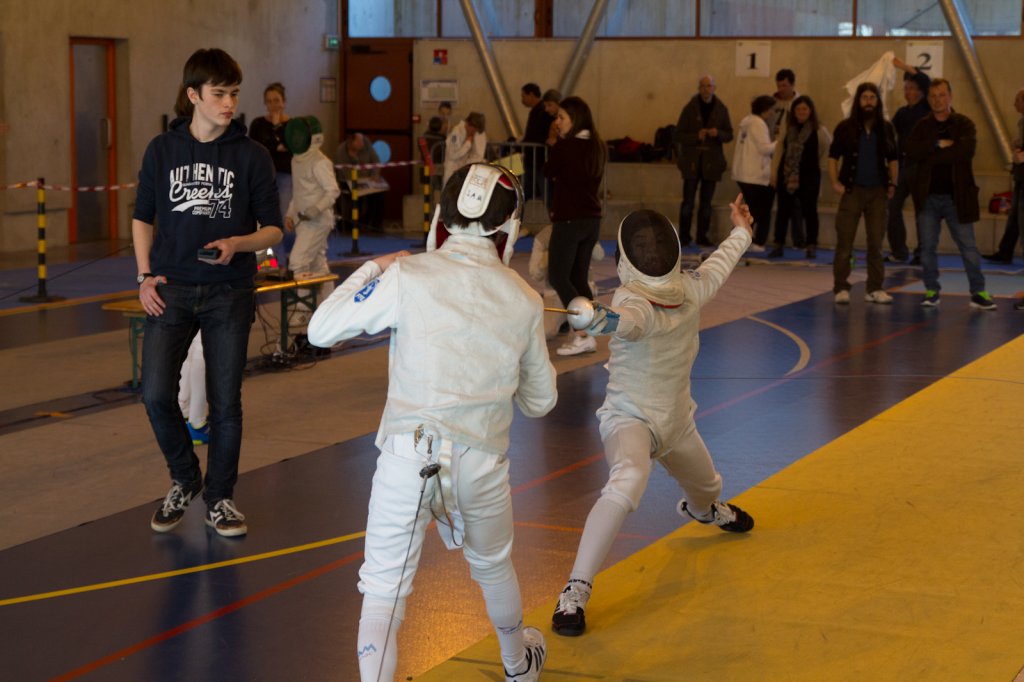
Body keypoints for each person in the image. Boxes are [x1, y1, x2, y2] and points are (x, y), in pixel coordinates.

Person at [306, 163, 557, 682]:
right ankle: (518, 666)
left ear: (443, 216)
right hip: (478, 462)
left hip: (407, 453)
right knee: (493, 567)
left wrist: (376, 268)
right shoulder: (524, 299)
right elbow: (540, 402)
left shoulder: (408, 275)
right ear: (509, 227)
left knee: (383, 593)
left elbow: (320, 329)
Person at [550, 199, 756, 638]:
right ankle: (575, 591)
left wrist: (741, 230)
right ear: (629, 256)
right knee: (628, 478)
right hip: (630, 419)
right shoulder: (632, 301)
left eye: (656, 243)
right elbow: (627, 322)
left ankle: (704, 511)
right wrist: (599, 319)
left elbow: (719, 264)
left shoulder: (689, 288)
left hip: (678, 422)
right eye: (642, 245)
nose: (652, 251)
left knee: (709, 488)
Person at [134, 48, 283, 538]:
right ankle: (185, 478)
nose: (229, 103)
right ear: (193, 95)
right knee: (156, 393)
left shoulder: (251, 155)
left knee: (226, 402)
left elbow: (274, 229)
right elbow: (142, 217)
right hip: (171, 289)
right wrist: (143, 276)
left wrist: (239, 243)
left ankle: (220, 498)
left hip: (229, 292)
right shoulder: (162, 150)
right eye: (219, 94)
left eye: (234, 93)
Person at [905, 78, 997, 310]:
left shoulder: (964, 124)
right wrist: (938, 144)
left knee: (969, 247)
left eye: (942, 95)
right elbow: (912, 151)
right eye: (933, 96)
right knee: (927, 248)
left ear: (950, 96)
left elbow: (965, 152)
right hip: (927, 198)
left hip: (957, 198)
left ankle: (979, 292)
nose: (938, 100)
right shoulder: (921, 126)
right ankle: (931, 290)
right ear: (928, 99)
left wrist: (931, 154)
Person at [544, 96, 607, 356]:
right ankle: (590, 332)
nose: (557, 122)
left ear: (575, 119)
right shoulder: (597, 146)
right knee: (578, 278)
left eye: (561, 117)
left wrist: (553, 144)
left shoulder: (566, 147)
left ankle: (581, 333)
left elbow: (548, 171)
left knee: (559, 276)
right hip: (591, 220)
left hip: (569, 220)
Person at [827, 82, 898, 305]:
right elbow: (832, 157)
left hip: (878, 192)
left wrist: (893, 183)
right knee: (844, 243)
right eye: (864, 97)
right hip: (852, 191)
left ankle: (874, 288)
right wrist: (835, 182)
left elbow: (893, 159)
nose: (868, 101)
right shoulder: (845, 127)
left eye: (872, 97)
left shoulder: (886, 128)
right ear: (858, 101)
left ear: (878, 101)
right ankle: (841, 287)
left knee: (876, 243)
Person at [284, 116, 340, 307]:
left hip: (318, 222)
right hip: (302, 221)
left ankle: (302, 315)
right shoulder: (296, 160)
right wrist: (290, 213)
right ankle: (331, 308)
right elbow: (298, 192)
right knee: (317, 264)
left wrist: (316, 209)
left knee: (297, 262)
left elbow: (332, 190)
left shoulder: (320, 162)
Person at [674, 74, 733, 247]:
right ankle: (684, 237)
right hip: (692, 162)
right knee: (688, 202)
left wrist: (718, 133)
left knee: (706, 203)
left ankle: (702, 236)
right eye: (703, 86)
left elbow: (729, 134)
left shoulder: (721, 109)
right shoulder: (689, 108)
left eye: (709, 86)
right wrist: (696, 136)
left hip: (711, 163)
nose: (706, 89)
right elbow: (678, 134)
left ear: (714, 88)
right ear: (699, 88)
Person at [769, 95, 831, 259]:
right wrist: (774, 173)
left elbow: (826, 150)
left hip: (809, 177)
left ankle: (811, 245)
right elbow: (779, 151)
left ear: (810, 111)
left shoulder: (819, 131)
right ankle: (778, 244)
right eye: (798, 109)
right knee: (783, 211)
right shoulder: (787, 129)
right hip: (786, 175)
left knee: (810, 212)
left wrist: (820, 169)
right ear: (794, 112)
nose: (801, 112)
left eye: (804, 109)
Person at [887, 60, 932, 264]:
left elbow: (925, 80)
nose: (908, 92)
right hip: (903, 167)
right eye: (906, 88)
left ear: (921, 92)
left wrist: (903, 66)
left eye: (912, 88)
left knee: (921, 211)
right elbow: (888, 132)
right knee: (893, 206)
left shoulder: (927, 109)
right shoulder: (902, 113)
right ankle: (899, 251)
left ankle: (922, 253)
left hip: (922, 168)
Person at [249, 83, 292, 266]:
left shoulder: (291, 126)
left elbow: (289, 150)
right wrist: (277, 146)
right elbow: (256, 150)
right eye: (269, 101)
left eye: (276, 100)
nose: (273, 105)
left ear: (284, 102)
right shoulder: (258, 124)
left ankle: (287, 259)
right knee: (264, 221)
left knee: (283, 220)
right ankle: (270, 263)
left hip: (285, 176)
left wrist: (277, 127)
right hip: (263, 178)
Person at [983, 87, 1024, 269]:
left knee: (1021, 216)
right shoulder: (1021, 121)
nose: (1014, 104)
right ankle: (1005, 251)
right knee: (1014, 216)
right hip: (1020, 175)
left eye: (1017, 100)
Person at [732, 95, 777, 252]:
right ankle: (757, 241)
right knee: (761, 211)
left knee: (752, 209)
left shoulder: (747, 121)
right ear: (765, 109)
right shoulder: (758, 123)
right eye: (772, 109)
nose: (773, 113)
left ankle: (740, 238)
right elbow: (765, 149)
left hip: (744, 173)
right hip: (755, 175)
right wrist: (780, 142)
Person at [336, 132, 384, 231]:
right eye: (359, 142)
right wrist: (354, 159)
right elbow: (346, 173)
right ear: (351, 142)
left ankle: (374, 225)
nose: (362, 144)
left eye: (362, 141)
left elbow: (376, 161)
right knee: (354, 196)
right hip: (348, 181)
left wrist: (375, 174)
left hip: (367, 179)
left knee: (379, 194)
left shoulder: (366, 145)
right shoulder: (341, 152)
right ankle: (351, 224)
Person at [520, 82, 555, 200]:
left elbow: (535, 134)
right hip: (533, 158)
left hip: (539, 160)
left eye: (523, 96)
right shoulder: (537, 111)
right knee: (528, 188)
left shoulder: (542, 112)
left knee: (543, 190)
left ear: (531, 94)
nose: (522, 99)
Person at [442, 111, 488, 186]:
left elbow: (477, 155)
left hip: (462, 170)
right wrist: (468, 144)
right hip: (452, 169)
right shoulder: (456, 133)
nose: (474, 132)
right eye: (474, 130)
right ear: (468, 124)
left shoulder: (469, 133)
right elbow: (452, 155)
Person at [770, 68, 798, 140]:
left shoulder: (800, 104)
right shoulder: (771, 104)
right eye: (778, 86)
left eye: (784, 86)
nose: (780, 89)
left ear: (792, 85)